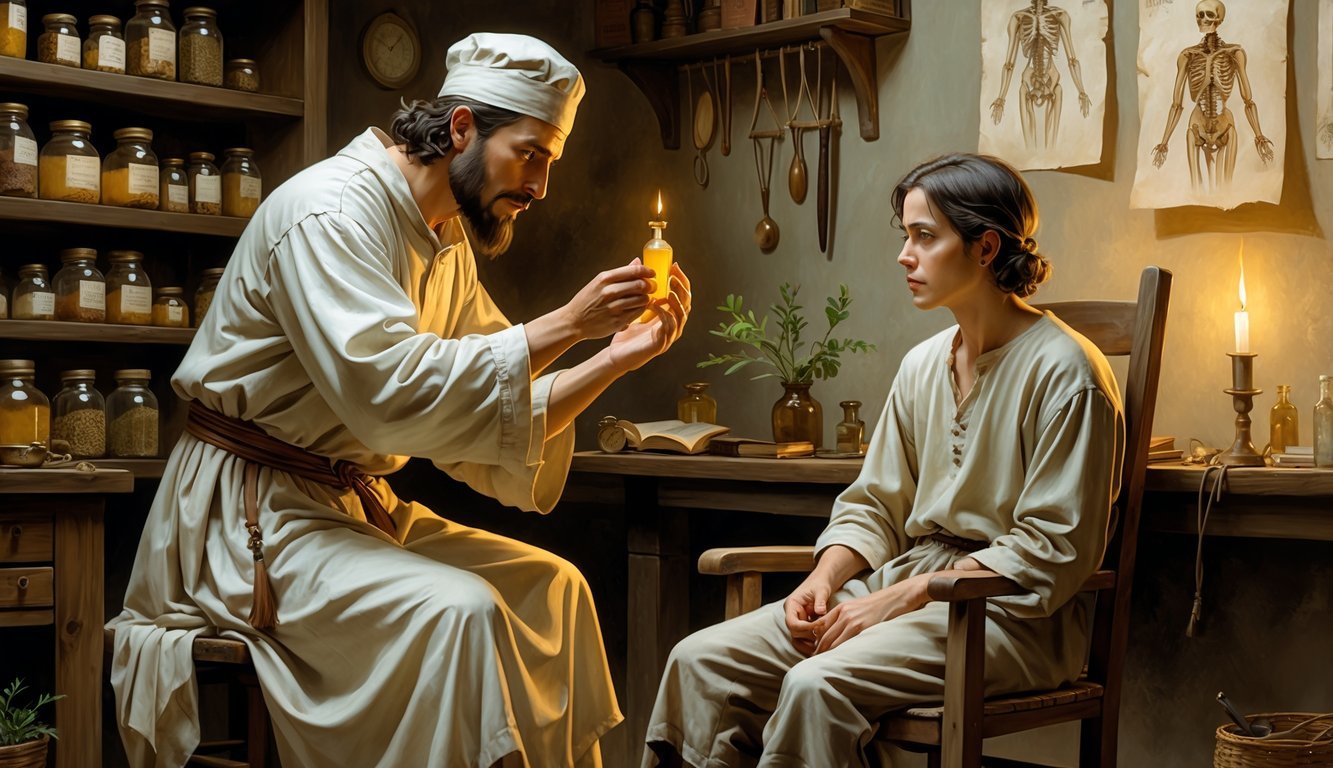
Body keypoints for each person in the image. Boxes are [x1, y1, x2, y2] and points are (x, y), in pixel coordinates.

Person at [108, 32, 691, 768]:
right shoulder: (330, 213)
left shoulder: (444, 241)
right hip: (247, 522)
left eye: (550, 161)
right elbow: (390, 397)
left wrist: (609, 359)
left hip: (346, 508)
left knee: (555, 590)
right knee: (461, 610)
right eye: (530, 155)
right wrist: (570, 324)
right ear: (461, 129)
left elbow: (482, 406)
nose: (540, 186)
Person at [642, 153, 1124, 767]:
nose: (904, 255)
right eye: (905, 236)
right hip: (905, 586)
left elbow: (1055, 547)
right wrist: (823, 580)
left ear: (985, 248)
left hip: (1009, 618)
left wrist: (902, 598)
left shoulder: (1069, 374)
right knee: (700, 661)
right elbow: (876, 505)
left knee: (815, 684)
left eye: (924, 236)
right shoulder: (922, 365)